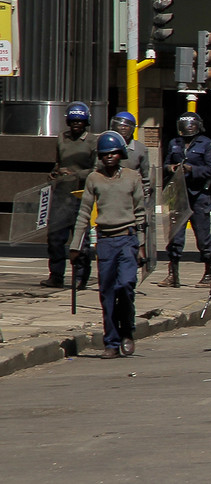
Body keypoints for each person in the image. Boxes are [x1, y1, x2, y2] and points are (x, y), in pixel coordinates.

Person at [69, 130, 145, 359]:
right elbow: (84, 213)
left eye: (113, 153)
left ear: (120, 154)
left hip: (128, 239)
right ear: (100, 157)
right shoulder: (94, 179)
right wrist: (75, 246)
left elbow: (141, 214)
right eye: (105, 154)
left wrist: (141, 245)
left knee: (126, 285)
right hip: (105, 241)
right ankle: (111, 341)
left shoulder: (132, 177)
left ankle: (127, 330)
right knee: (107, 293)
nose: (109, 157)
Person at [42, 102, 98, 289]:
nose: (76, 124)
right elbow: (58, 164)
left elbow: (96, 170)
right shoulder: (61, 138)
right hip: (61, 194)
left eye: (80, 121)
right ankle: (56, 275)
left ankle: (81, 276)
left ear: (86, 122)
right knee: (55, 237)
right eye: (73, 120)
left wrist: (76, 175)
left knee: (81, 238)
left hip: (80, 194)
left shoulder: (92, 141)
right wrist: (54, 173)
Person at [160, 112, 211, 288]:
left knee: (202, 237)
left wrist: (192, 169)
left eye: (192, 125)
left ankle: (209, 272)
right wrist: (171, 168)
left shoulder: (206, 143)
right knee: (175, 236)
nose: (188, 128)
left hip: (199, 195)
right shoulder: (174, 143)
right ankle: (173, 274)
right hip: (178, 194)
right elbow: (166, 164)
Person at [110, 111, 151, 194]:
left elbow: (145, 176)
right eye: (120, 125)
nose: (123, 128)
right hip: (110, 190)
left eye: (126, 126)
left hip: (131, 192)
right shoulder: (107, 146)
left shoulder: (140, 149)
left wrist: (145, 195)